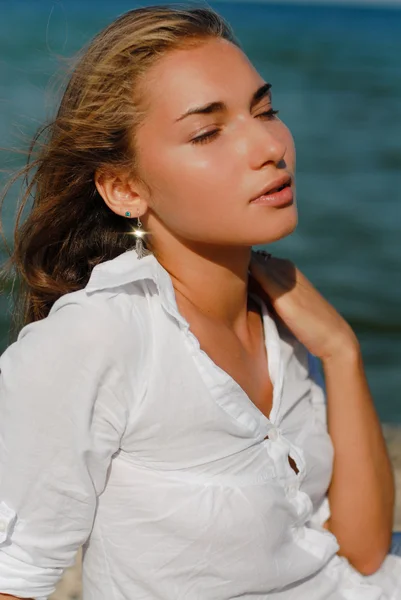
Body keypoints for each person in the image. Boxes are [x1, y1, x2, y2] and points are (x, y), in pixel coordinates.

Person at [0, 4, 400, 599]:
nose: (268, 145)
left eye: (265, 110)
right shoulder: (96, 340)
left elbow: (362, 552)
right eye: (207, 131)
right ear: (124, 188)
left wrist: (341, 351)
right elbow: (13, 578)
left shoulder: (285, 319)